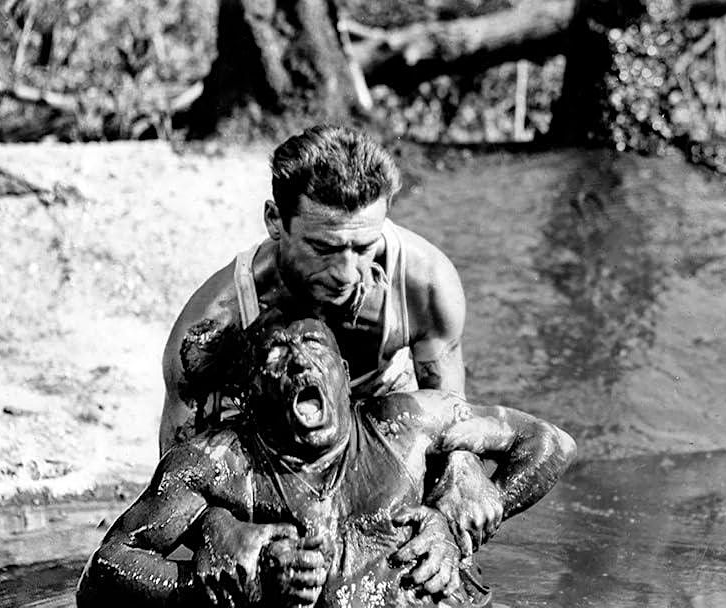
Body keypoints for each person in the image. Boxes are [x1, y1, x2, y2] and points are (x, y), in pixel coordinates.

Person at [78, 317, 576, 608]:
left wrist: (457, 519)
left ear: (342, 372)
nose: (299, 361)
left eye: (313, 347)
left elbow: (550, 444)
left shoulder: (406, 424)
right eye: (275, 356)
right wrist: (222, 587)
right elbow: (102, 575)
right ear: (248, 396)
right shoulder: (217, 466)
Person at [159, 125, 497, 547]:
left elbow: (450, 408)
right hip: (269, 451)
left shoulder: (424, 283)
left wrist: (463, 471)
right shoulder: (214, 324)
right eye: (325, 248)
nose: (347, 273)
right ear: (275, 220)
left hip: (382, 434)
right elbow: (179, 478)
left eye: (364, 247)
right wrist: (224, 533)